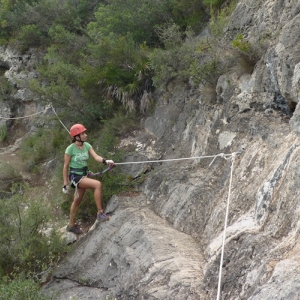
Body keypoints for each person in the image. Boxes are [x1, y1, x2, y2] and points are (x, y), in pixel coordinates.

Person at [63, 123, 114, 234]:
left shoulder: (87, 146)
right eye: (83, 133)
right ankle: (100, 213)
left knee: (77, 201)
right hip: (75, 176)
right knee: (97, 185)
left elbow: (96, 157)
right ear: (77, 136)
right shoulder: (70, 149)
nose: (86, 135)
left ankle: (71, 225)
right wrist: (65, 183)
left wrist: (106, 161)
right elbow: (66, 166)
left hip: (83, 175)